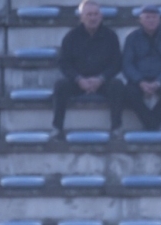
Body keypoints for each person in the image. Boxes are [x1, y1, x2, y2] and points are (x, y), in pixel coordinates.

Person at [53, 0, 124, 133]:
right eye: (89, 14)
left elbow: (117, 63)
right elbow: (64, 63)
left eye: (96, 14)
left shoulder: (111, 36)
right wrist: (78, 79)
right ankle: (57, 128)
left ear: (101, 16)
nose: (93, 18)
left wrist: (101, 79)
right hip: (78, 81)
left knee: (117, 85)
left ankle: (116, 127)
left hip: (102, 82)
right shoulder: (71, 37)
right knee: (60, 86)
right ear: (81, 17)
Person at [121, 4, 161, 132]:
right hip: (139, 78)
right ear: (140, 20)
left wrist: (159, 82)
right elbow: (127, 64)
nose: (151, 20)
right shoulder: (131, 38)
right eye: (147, 17)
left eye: (154, 17)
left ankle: (152, 121)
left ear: (159, 19)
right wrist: (140, 81)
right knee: (128, 93)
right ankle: (151, 122)